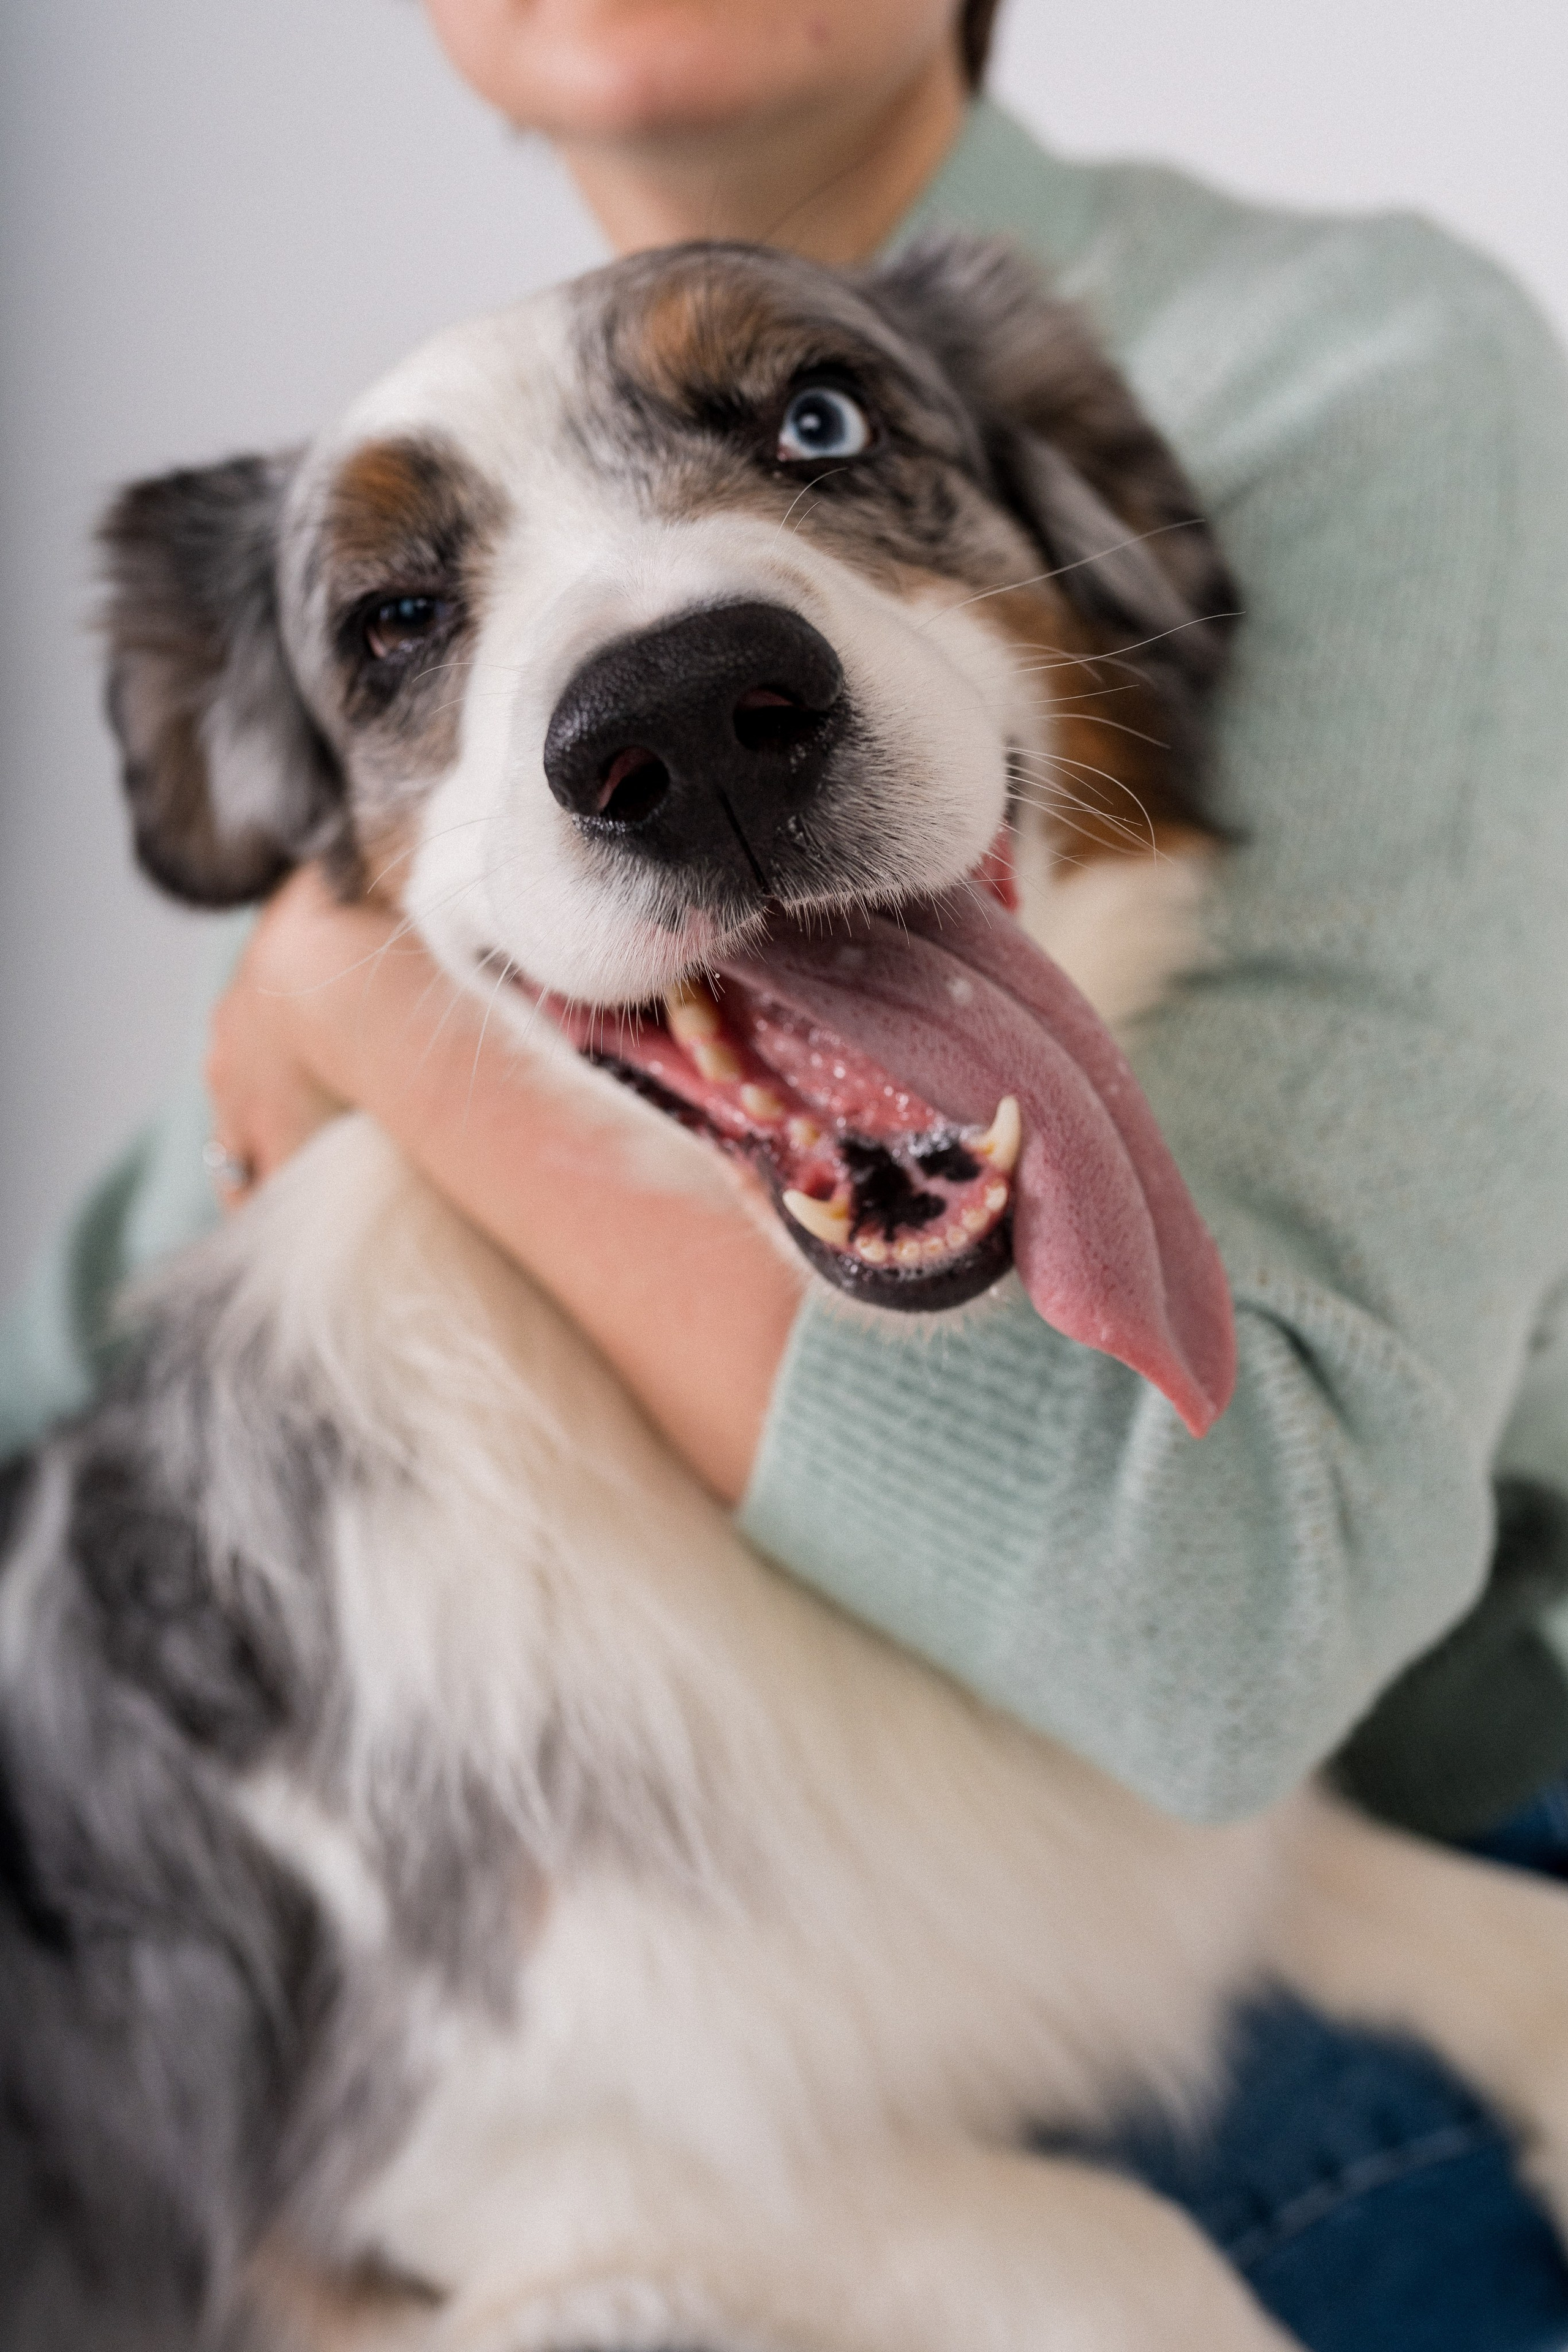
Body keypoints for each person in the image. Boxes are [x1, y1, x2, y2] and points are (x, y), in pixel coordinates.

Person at [5, 2, 1568, 2339]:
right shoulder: (357, 1084)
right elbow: (92, 1344)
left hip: (1393, 1784)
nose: (667, 706)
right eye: (410, 625)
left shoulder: (1363, 366)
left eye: (818, 429)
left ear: (1110, 546)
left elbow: (1229, 1630)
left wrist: (351, 1017)